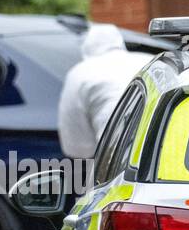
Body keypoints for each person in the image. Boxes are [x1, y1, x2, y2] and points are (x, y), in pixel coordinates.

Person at [57, 23, 152, 158]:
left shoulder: (79, 73)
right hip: (165, 149)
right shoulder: (149, 61)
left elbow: (77, 148)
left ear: (86, 49)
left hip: (117, 159)